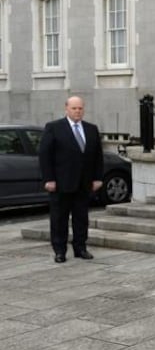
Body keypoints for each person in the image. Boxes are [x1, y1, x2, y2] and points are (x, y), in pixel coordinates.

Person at [38, 96, 104, 263]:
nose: (77, 111)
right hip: (61, 183)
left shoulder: (91, 129)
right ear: (66, 108)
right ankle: (60, 250)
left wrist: (98, 178)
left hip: (84, 183)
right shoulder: (54, 127)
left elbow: (98, 156)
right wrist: (49, 179)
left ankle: (80, 248)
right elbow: (45, 155)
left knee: (81, 218)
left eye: (80, 108)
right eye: (74, 108)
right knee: (59, 218)